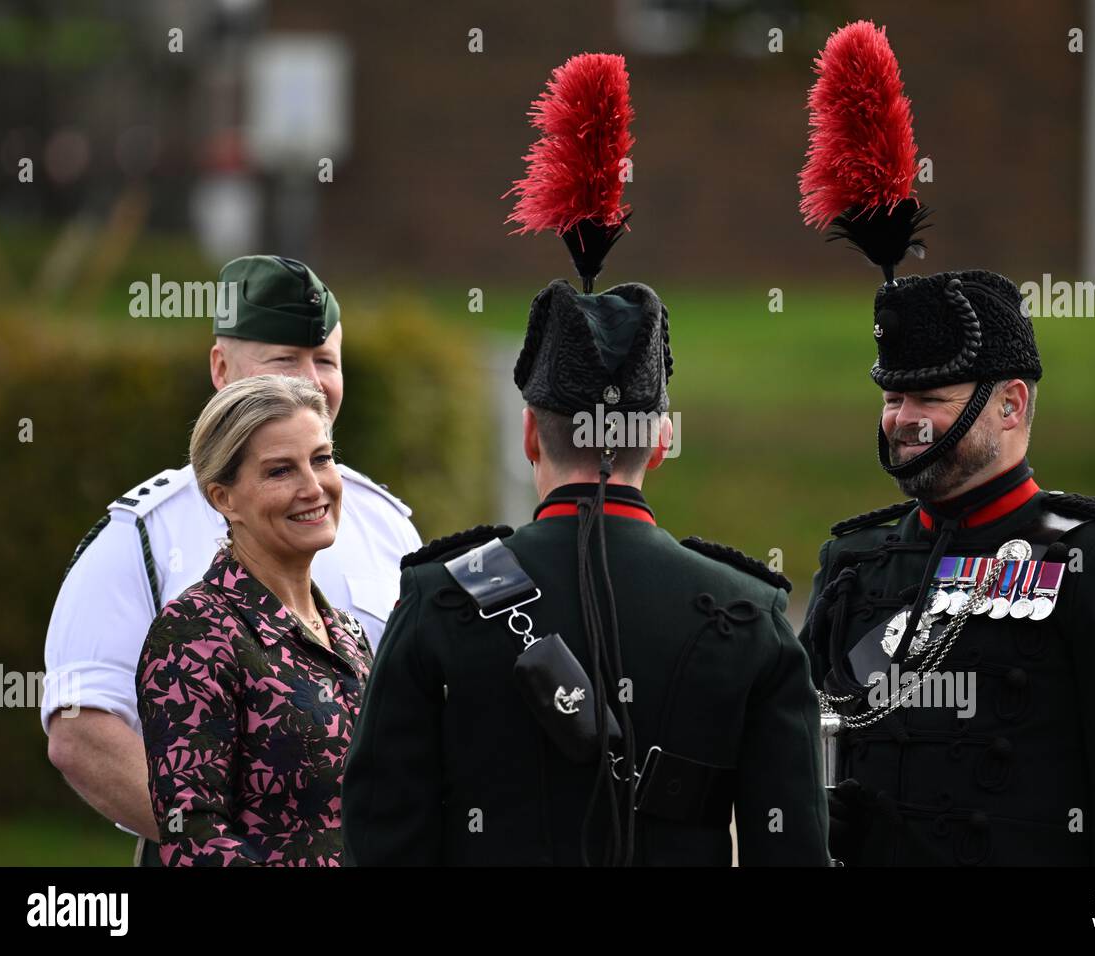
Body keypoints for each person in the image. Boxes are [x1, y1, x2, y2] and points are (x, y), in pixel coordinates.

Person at [342, 52, 828, 867]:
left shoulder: (441, 599)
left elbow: (380, 838)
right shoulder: (751, 617)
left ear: (529, 434)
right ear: (662, 441)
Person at [795, 22, 1095, 865]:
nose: (903, 418)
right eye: (893, 395)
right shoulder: (854, 564)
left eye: (930, 398)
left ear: (1010, 405)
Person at [43, 255, 420, 863]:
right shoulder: (141, 532)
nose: (310, 381)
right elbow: (83, 732)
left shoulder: (385, 523)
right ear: (221, 367)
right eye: (285, 359)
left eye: (325, 360)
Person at [137, 374, 371, 865]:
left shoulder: (346, 632)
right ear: (223, 498)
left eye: (322, 459)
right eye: (280, 471)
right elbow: (194, 836)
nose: (313, 487)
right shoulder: (195, 633)